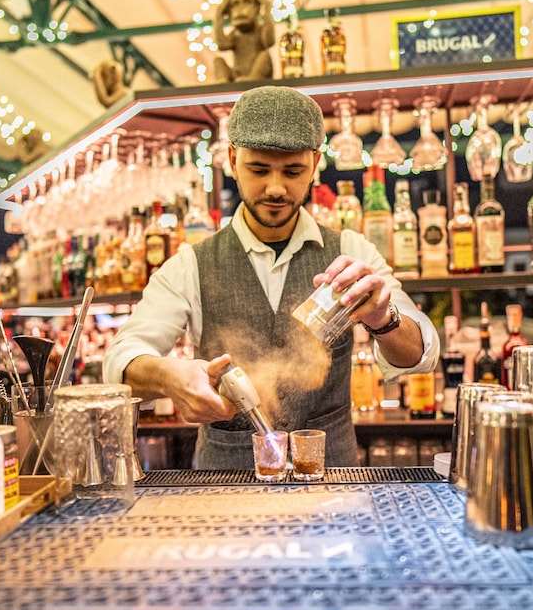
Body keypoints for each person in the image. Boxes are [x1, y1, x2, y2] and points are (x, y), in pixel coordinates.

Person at [103, 86, 439, 469]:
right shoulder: (190, 264)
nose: (276, 188)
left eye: (293, 171)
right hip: (225, 492)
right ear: (232, 159)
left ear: (314, 165)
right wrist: (167, 376)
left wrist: (383, 320)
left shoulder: (352, 250)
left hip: (332, 486)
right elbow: (120, 360)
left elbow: (421, 355)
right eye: (259, 170)